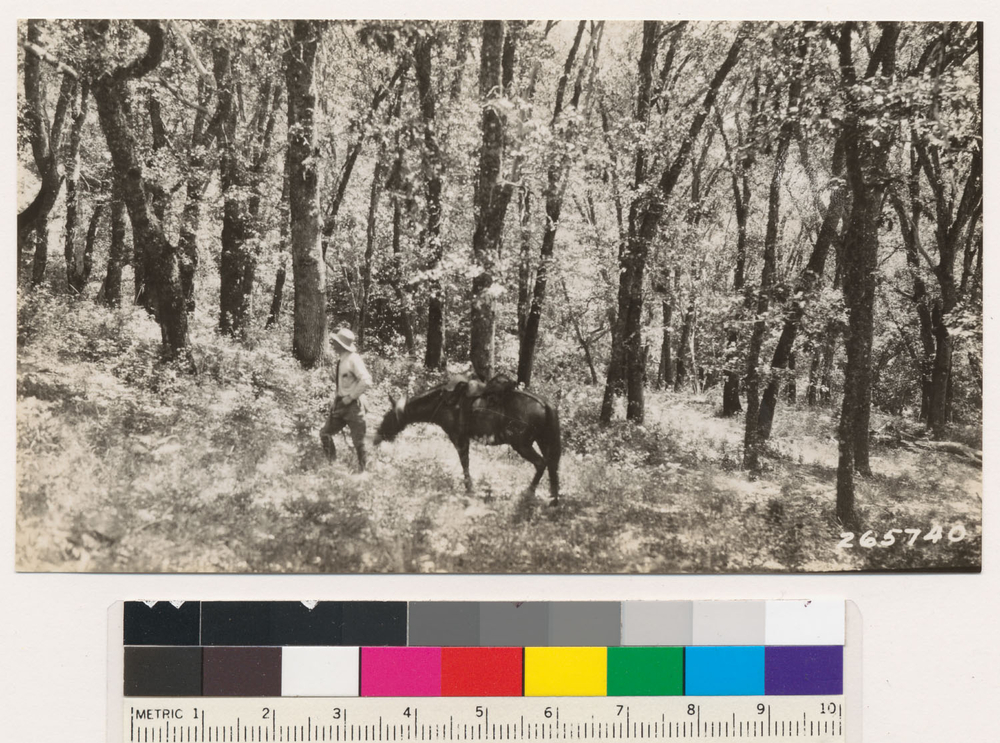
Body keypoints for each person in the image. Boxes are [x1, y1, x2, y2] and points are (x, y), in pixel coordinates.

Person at [320, 328, 372, 472]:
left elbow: (366, 380)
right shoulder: (342, 360)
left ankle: (364, 472)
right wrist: (335, 402)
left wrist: (351, 397)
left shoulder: (354, 359)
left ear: (341, 345)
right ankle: (332, 465)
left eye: (335, 341)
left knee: (359, 442)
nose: (333, 343)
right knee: (325, 433)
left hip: (354, 406)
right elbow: (341, 385)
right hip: (340, 404)